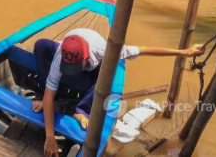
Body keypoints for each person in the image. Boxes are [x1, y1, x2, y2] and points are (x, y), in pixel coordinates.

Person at [31, 28, 205, 157]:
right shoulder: (61, 56)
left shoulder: (104, 50)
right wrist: (50, 137)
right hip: (68, 66)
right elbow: (49, 95)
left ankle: (81, 111)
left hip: (91, 73)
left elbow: (143, 49)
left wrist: (185, 52)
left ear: (85, 59)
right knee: (41, 45)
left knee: (110, 73)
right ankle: (48, 98)